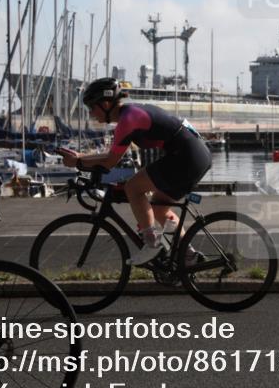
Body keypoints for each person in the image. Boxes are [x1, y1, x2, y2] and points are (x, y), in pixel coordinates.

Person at [56, 77, 212, 265]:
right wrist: (81, 157)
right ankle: (188, 256)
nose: (90, 113)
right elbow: (112, 155)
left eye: (91, 108)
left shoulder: (128, 120)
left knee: (133, 187)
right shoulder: (130, 114)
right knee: (159, 208)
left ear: (105, 104)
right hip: (195, 155)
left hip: (186, 156)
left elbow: (110, 162)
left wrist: (79, 163)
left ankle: (152, 243)